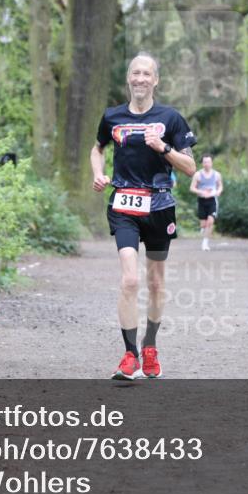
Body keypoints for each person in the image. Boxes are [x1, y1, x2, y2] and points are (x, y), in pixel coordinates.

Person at [91, 53, 197, 380]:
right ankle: (129, 355)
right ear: (128, 79)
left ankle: (150, 345)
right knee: (130, 279)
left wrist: (163, 148)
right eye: (135, 73)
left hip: (159, 206)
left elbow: (191, 167)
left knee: (154, 282)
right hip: (123, 205)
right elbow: (97, 148)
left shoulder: (171, 118)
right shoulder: (112, 116)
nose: (140, 78)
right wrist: (98, 173)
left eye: (146, 73)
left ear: (155, 80)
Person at [190, 155, 223, 251]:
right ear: (202, 163)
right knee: (203, 224)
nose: (206, 164)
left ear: (211, 163)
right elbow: (192, 188)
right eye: (205, 162)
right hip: (201, 201)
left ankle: (205, 243)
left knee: (210, 222)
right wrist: (201, 192)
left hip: (212, 200)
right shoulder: (198, 175)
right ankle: (203, 229)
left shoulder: (217, 175)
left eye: (208, 162)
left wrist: (218, 192)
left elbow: (220, 186)